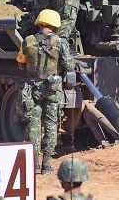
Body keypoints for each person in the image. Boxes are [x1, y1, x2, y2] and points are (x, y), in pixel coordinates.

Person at [16, 9, 75, 175]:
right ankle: (47, 164)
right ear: (55, 24)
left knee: (33, 125)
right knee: (51, 124)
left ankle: (34, 163)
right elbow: (70, 66)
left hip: (32, 88)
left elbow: (21, 64)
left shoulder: (27, 41)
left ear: (39, 23)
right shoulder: (60, 42)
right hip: (52, 89)